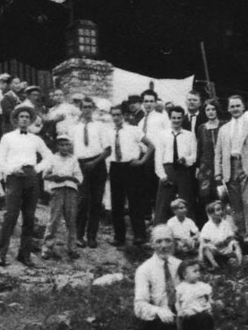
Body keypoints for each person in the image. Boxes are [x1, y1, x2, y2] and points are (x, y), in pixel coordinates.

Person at [0, 106, 53, 267]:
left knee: (29, 217)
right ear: (15, 119)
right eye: (21, 116)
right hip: (14, 178)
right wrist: (11, 170)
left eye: (27, 117)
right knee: (10, 216)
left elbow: (49, 156)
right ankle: (1, 254)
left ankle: (24, 254)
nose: (24, 119)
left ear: (31, 120)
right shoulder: (7, 138)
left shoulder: (36, 139)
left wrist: (37, 169)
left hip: (32, 178)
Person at [214, 95, 248, 248]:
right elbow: (218, 153)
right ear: (228, 109)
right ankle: (241, 235)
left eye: (238, 106)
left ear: (243, 107)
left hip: (246, 166)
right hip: (230, 167)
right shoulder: (224, 129)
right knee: (236, 206)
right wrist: (218, 172)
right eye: (232, 106)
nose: (235, 109)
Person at [134, 225, 181, 330]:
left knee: (203, 319)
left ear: (174, 242)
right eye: (159, 241)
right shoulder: (144, 269)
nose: (164, 245)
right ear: (152, 244)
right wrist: (160, 311)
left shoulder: (180, 266)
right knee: (167, 325)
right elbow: (139, 305)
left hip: (180, 312)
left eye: (168, 240)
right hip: (157, 319)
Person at [70, 98, 111, 248]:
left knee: (96, 202)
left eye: (89, 107)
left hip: (97, 164)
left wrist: (94, 163)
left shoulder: (100, 126)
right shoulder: (74, 127)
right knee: (83, 201)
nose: (86, 110)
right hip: (81, 165)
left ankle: (92, 236)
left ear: (93, 109)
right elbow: (70, 149)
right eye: (84, 107)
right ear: (80, 109)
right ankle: (78, 236)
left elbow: (107, 150)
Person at [110, 104, 153, 246]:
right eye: (113, 115)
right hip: (115, 167)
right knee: (117, 203)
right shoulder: (108, 131)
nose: (116, 117)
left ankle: (139, 235)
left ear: (124, 116)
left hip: (131, 168)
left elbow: (151, 146)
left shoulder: (133, 130)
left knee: (135, 202)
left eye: (118, 115)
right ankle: (119, 236)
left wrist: (142, 161)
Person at [41, 134, 82, 261]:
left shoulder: (73, 159)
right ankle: (47, 248)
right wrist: (54, 177)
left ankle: (72, 248)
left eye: (66, 145)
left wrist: (67, 178)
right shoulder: (52, 158)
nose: (64, 147)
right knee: (54, 220)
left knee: (71, 220)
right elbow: (45, 175)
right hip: (57, 191)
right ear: (57, 146)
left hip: (70, 191)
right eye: (61, 145)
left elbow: (79, 178)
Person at [154, 106, 197, 223]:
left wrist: (186, 160)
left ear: (183, 118)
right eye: (174, 118)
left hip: (183, 171)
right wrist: (162, 175)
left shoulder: (189, 135)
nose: (176, 120)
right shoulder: (163, 135)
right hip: (168, 170)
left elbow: (194, 156)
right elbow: (158, 157)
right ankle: (160, 231)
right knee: (163, 202)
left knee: (185, 201)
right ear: (170, 118)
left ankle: (189, 232)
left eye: (179, 118)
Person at [194, 99, 224, 223]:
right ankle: (209, 224)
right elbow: (199, 148)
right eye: (208, 110)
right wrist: (197, 167)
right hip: (205, 168)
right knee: (206, 196)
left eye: (213, 109)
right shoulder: (201, 128)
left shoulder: (224, 125)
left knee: (222, 195)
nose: (210, 112)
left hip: (221, 166)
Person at [199, 201, 242, 267]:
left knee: (235, 243)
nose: (221, 212)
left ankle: (240, 263)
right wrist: (212, 244)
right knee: (205, 247)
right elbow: (204, 239)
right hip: (214, 248)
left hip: (225, 247)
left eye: (221, 209)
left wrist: (226, 242)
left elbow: (230, 237)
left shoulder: (225, 223)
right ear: (211, 214)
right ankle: (214, 264)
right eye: (218, 210)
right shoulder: (207, 225)